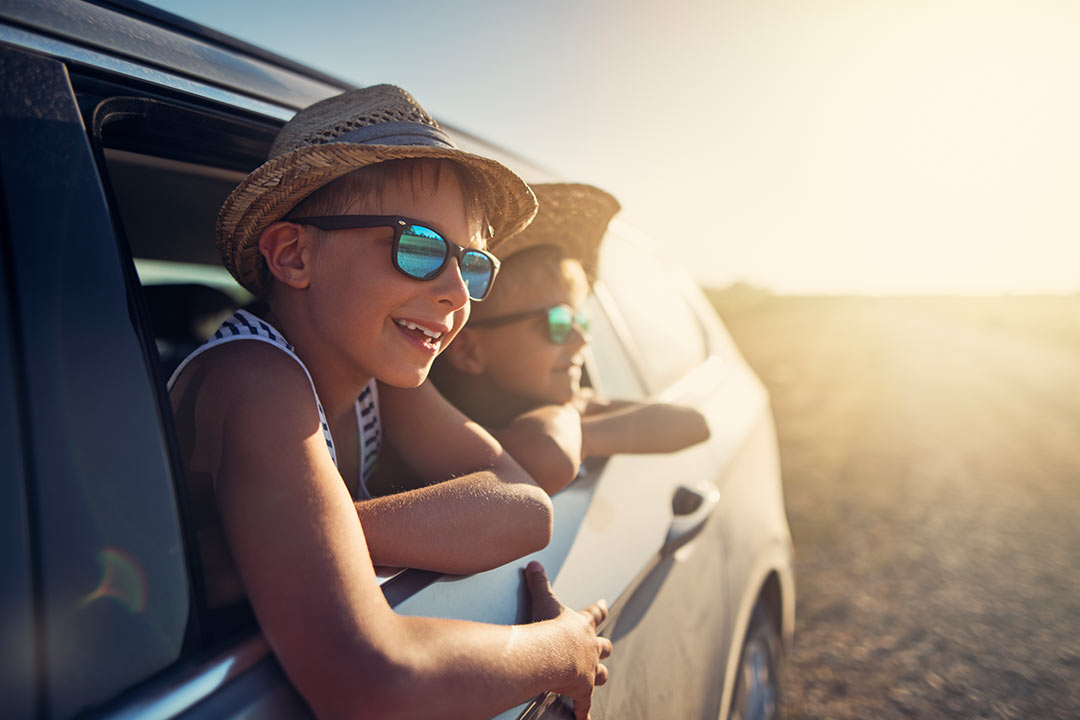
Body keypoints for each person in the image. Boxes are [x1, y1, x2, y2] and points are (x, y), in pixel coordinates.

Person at [168, 85, 610, 720]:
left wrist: (318, 539)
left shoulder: (375, 375)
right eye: (422, 248)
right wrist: (559, 650)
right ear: (294, 255)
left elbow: (525, 506)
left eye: (473, 265)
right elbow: (372, 683)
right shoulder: (256, 380)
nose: (457, 290)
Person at [430, 183, 711, 495]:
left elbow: (694, 424)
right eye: (559, 322)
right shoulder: (433, 430)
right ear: (469, 350)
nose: (581, 340)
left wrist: (579, 431)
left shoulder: (572, 405)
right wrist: (568, 429)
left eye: (581, 321)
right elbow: (537, 456)